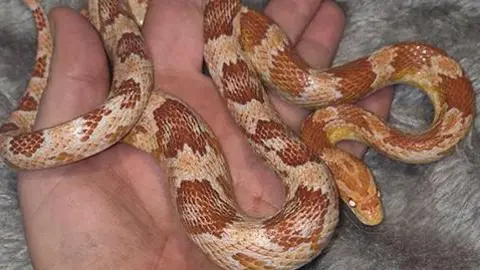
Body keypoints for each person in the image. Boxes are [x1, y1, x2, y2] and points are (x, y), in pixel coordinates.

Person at [18, 0, 393, 268]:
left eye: (365, 198)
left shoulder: (313, 154)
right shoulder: (313, 167)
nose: (368, 210)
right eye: (362, 201)